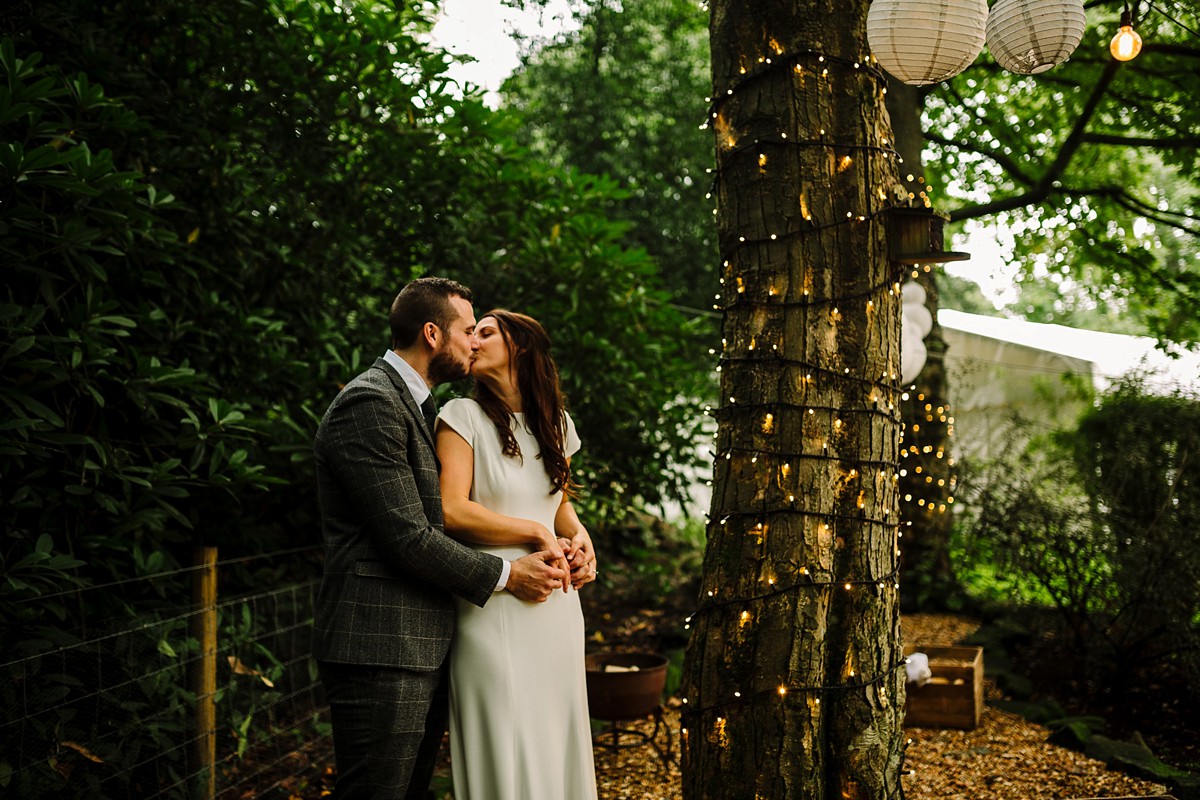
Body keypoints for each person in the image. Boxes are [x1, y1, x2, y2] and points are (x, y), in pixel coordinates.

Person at [312, 278, 570, 800]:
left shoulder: (421, 407)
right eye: (468, 331)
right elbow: (408, 536)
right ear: (433, 334)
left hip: (424, 642)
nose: (475, 342)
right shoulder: (370, 402)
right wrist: (506, 574)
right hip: (380, 644)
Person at [436, 309, 599, 800]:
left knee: (556, 734)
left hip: (557, 606)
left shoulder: (557, 424)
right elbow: (449, 511)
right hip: (493, 601)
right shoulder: (461, 415)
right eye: (471, 332)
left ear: (520, 347)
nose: (473, 340)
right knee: (504, 736)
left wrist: (579, 537)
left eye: (486, 332)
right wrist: (534, 531)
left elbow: (557, 501)